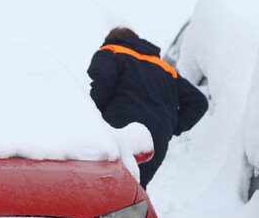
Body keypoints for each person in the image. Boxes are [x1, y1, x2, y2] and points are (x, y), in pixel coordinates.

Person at [87, 26, 208, 188]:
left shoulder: (111, 50)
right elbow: (199, 102)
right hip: (155, 140)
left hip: (120, 130)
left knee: (102, 188)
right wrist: (171, 126)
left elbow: (104, 78)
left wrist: (93, 114)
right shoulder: (166, 69)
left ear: (111, 39)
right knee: (132, 194)